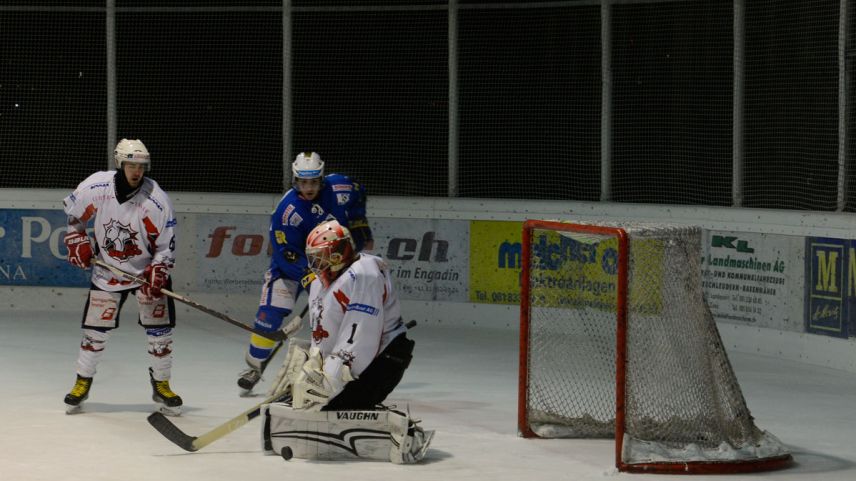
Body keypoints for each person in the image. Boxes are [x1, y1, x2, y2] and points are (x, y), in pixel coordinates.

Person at [260, 220, 431, 464]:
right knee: (302, 402)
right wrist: (311, 366)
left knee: (325, 406)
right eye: (313, 257)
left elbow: (361, 338)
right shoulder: (323, 279)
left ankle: (401, 433)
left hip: (384, 359)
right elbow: (325, 334)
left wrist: (328, 382)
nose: (315, 264)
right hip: (356, 360)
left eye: (321, 256)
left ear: (340, 253)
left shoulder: (364, 275)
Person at [62, 138, 183, 416]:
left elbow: (166, 245)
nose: (137, 171)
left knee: (160, 335)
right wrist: (76, 239)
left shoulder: (157, 200)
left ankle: (161, 385)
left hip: (146, 275)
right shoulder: (95, 187)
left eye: (141, 166)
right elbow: (74, 218)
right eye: (131, 165)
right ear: (120, 163)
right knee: (94, 333)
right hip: (107, 272)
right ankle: (82, 381)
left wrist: (159, 270)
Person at [237, 151, 373, 394]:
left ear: (321, 178)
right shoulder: (287, 210)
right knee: (269, 316)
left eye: (313, 182)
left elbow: (359, 193)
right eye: (303, 182)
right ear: (295, 180)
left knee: (334, 318)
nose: (308, 188)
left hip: (332, 263)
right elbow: (285, 252)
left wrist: (359, 223)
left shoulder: (341, 187)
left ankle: (335, 370)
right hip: (290, 267)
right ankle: (254, 366)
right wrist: (311, 277)